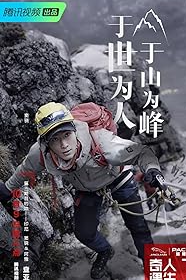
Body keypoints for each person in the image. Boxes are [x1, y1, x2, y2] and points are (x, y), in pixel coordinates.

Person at [0, 102, 164, 279]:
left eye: (67, 135)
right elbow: (24, 171)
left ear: (74, 130)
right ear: (46, 143)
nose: (64, 145)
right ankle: (105, 251)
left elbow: (141, 153)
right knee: (84, 233)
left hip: (118, 178)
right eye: (55, 139)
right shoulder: (40, 154)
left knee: (138, 226)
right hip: (87, 189)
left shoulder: (101, 141)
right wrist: (7, 190)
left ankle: (152, 267)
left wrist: (153, 170)